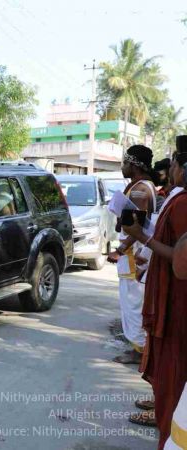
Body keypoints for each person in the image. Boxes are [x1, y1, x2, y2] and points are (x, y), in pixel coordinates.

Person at [123, 145, 187, 447]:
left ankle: (167, 431)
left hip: (177, 305)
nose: (170, 170)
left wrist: (140, 237)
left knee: (173, 376)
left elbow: (181, 259)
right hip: (168, 295)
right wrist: (151, 256)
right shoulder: (176, 198)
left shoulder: (183, 203)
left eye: (174, 164)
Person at [107, 145, 156, 365]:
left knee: (134, 305)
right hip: (133, 255)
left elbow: (136, 228)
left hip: (134, 256)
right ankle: (140, 348)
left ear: (134, 165)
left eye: (125, 163)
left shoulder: (140, 190)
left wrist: (119, 250)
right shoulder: (140, 186)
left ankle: (140, 351)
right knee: (133, 303)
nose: (122, 167)